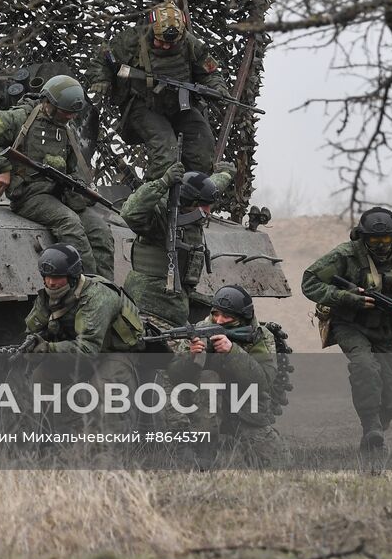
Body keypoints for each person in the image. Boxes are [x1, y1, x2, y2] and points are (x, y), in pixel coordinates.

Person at [300, 207, 392, 456]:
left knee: (387, 399)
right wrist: (346, 298)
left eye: (386, 240)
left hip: (385, 328)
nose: (380, 246)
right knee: (364, 367)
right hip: (349, 324)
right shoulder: (345, 255)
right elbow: (309, 282)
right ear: (362, 236)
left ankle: (376, 429)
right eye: (374, 240)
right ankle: (370, 428)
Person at [0, 75, 115, 277]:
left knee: (101, 231)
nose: (70, 117)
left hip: (60, 194)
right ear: (49, 102)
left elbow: (72, 168)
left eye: (73, 114)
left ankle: (107, 289)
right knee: (69, 223)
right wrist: (3, 168)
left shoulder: (67, 128)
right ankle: (87, 286)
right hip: (30, 195)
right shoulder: (20, 118)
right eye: (66, 112)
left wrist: (80, 186)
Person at [83, 1, 228, 178]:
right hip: (144, 105)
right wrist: (101, 80)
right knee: (166, 152)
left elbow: (210, 72)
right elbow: (103, 58)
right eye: (161, 41)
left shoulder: (191, 44)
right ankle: (155, 197)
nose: (166, 46)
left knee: (202, 147)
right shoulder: (132, 40)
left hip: (180, 106)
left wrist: (217, 88)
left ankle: (192, 194)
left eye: (171, 43)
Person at [23, 244, 144, 433]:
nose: (51, 283)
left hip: (115, 352)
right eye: (47, 277)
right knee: (43, 377)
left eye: (57, 278)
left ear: (71, 278)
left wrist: (49, 349)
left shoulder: (97, 296)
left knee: (103, 386)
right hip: (80, 350)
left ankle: (110, 453)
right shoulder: (48, 296)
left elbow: (88, 349)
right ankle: (66, 442)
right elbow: (33, 329)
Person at [163, 285, 286, 467]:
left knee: (279, 464)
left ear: (243, 318)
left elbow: (265, 381)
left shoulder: (259, 335)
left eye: (226, 316)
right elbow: (174, 377)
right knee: (208, 377)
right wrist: (190, 357)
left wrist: (233, 352)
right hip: (203, 410)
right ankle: (203, 453)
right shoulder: (200, 330)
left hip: (245, 408)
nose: (219, 321)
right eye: (215, 313)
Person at [120, 160, 236, 326]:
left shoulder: (195, 209)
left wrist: (225, 174)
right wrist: (163, 182)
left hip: (176, 311)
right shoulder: (160, 218)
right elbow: (129, 212)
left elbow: (206, 187)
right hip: (148, 314)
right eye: (203, 206)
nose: (209, 212)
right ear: (189, 202)